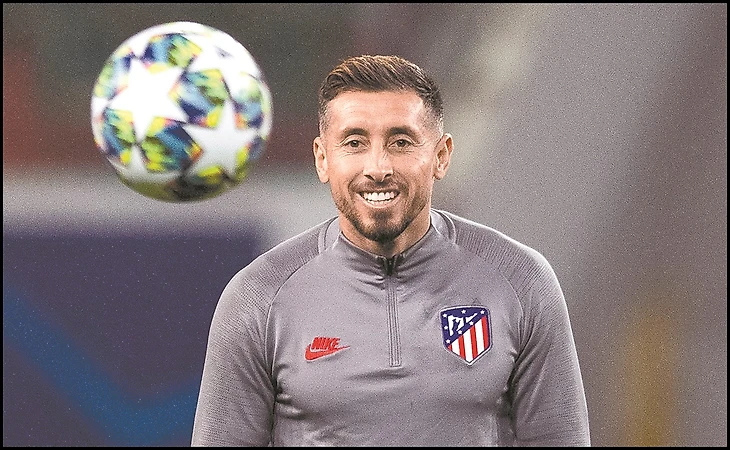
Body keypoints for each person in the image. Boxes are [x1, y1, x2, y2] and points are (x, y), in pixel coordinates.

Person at [191, 54, 591, 446]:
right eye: (354, 143)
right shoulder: (258, 298)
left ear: (441, 156)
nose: (378, 167)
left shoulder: (521, 281)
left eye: (401, 142)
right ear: (323, 159)